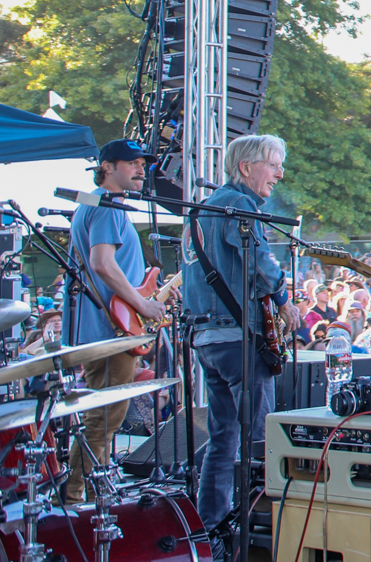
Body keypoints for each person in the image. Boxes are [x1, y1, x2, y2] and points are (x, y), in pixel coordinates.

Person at [182, 134, 301, 526]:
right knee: (259, 442)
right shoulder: (239, 205)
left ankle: (211, 527)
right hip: (238, 340)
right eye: (273, 165)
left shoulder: (202, 210)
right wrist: (285, 301)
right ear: (246, 168)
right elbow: (259, 264)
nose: (279, 174)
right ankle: (257, 529)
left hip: (208, 340)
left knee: (222, 439)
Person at [64, 139, 168, 502]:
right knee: (106, 417)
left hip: (105, 326)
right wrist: (142, 303)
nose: (141, 169)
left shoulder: (100, 206)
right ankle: (75, 495)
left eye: (143, 163)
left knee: (104, 416)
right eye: (131, 163)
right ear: (107, 167)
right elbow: (101, 263)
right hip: (108, 329)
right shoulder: (108, 207)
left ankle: (93, 494)